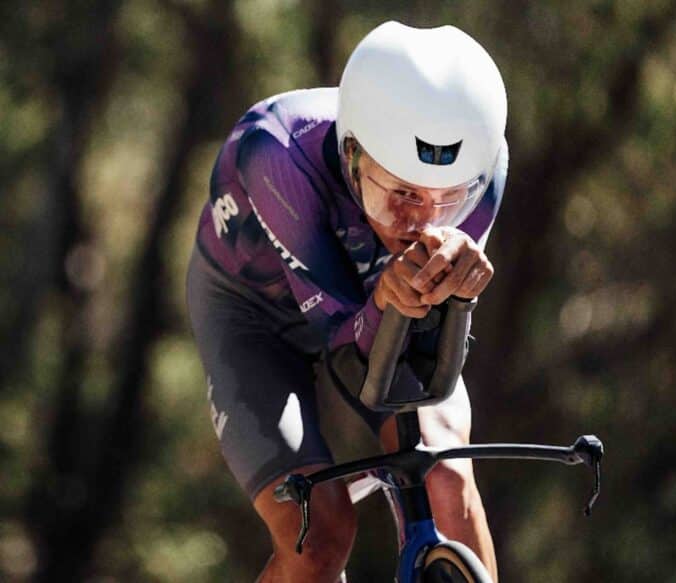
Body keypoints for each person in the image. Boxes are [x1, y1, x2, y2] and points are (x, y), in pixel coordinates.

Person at [187, 20, 507, 582]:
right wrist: (391, 294)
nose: (421, 223)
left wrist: (450, 282)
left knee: (447, 478)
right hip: (253, 317)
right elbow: (346, 348)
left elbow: (427, 340)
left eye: (448, 202)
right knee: (319, 533)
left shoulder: (487, 165)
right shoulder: (277, 151)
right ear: (352, 154)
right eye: (400, 193)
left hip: (376, 305)